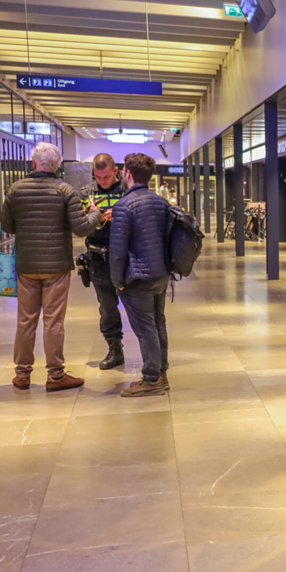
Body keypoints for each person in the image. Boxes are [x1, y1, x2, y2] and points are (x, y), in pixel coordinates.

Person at [1, 142, 101, 391]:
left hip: (26, 265)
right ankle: (55, 375)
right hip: (56, 267)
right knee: (53, 322)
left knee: (25, 320)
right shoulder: (66, 190)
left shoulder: (15, 190)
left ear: (34, 163)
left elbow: (8, 227)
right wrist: (96, 215)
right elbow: (81, 228)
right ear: (57, 166)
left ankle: (22, 374)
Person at [109, 153, 171, 397]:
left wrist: (117, 282)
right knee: (158, 324)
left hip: (137, 278)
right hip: (161, 274)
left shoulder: (124, 205)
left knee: (145, 328)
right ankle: (160, 373)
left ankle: (152, 378)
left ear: (128, 174)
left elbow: (117, 250)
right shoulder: (161, 202)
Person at [81, 153, 126, 370]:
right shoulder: (87, 194)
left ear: (115, 171)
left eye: (106, 176)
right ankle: (114, 349)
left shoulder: (127, 192)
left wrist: (119, 217)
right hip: (98, 257)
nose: (103, 181)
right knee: (107, 307)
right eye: (98, 177)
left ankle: (150, 351)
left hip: (125, 257)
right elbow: (79, 226)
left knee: (138, 306)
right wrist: (91, 216)